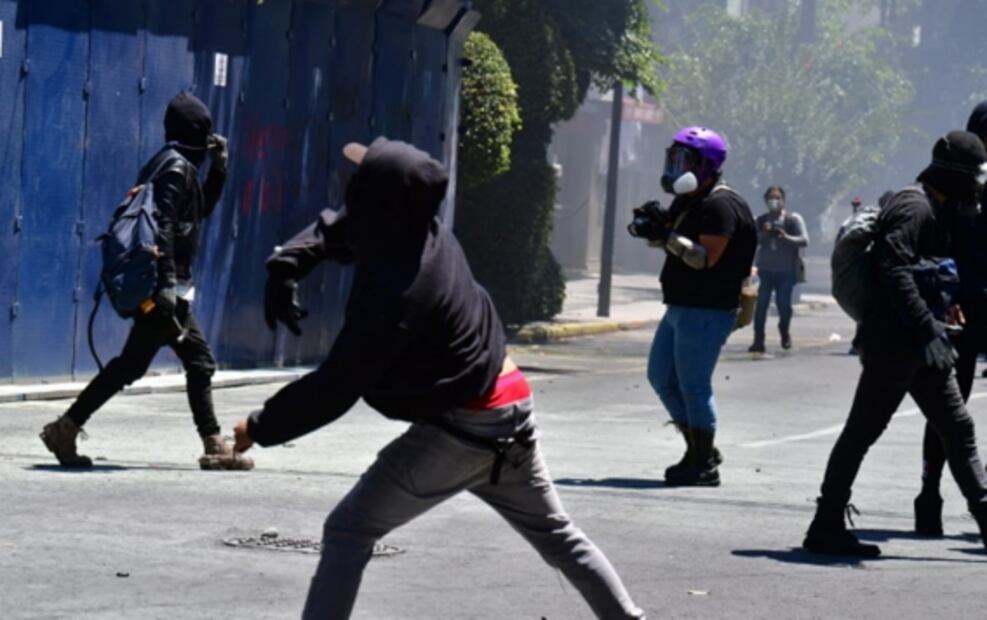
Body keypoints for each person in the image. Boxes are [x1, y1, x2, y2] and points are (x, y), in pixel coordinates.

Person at [233, 138, 645, 619]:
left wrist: (260, 425)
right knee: (558, 535)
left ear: (376, 200)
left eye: (360, 181)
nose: (350, 186)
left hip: (463, 430)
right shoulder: (421, 230)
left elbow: (337, 385)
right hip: (510, 405)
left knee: (348, 529)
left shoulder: (399, 293)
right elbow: (342, 226)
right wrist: (288, 264)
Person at [38, 92, 251, 471]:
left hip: (162, 286)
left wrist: (219, 170)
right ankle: (214, 444)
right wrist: (166, 284)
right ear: (196, 132)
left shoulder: (168, 163)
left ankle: (65, 428)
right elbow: (163, 225)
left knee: (132, 365)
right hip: (163, 287)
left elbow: (197, 211)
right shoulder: (176, 168)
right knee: (199, 361)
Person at [803, 131, 987, 557]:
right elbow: (893, 267)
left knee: (957, 429)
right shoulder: (914, 206)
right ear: (954, 174)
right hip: (895, 344)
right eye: (974, 177)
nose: (977, 188)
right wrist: (927, 327)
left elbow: (926, 272)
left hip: (919, 345)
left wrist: (944, 310)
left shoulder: (938, 208)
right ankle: (825, 524)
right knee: (862, 432)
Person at [642, 126, 757, 487]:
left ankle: (703, 464)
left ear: (706, 166)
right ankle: (699, 448)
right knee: (661, 376)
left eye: (686, 160)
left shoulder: (721, 206)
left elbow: (704, 258)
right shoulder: (690, 200)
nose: (678, 167)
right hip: (681, 304)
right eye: (674, 158)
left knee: (693, 385)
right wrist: (653, 229)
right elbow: (674, 244)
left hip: (708, 308)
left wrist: (667, 236)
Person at [914, 101, 987, 535]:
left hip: (975, 304)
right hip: (959, 307)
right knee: (947, 405)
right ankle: (930, 492)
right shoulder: (960, 185)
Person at [749, 185, 809, 353]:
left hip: (785, 271)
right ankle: (758, 340)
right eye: (771, 198)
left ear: (783, 200)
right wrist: (765, 234)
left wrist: (786, 237)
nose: (774, 201)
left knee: (784, 307)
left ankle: (784, 331)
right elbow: (751, 240)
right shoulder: (761, 221)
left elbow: (804, 240)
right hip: (765, 271)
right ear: (765, 201)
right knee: (760, 307)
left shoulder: (792, 220)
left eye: (778, 198)